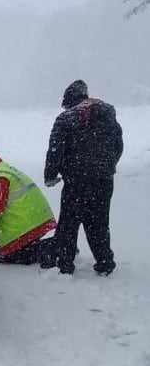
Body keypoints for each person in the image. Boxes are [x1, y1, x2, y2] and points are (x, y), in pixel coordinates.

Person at [43, 80, 123, 275]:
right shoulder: (108, 117)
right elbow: (118, 146)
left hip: (76, 180)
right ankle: (104, 263)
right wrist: (106, 166)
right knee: (99, 223)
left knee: (69, 223)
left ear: (69, 100)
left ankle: (65, 265)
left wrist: (50, 175)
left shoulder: (66, 119)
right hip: (103, 180)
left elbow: (55, 150)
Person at [0, 150, 57, 264]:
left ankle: (57, 247)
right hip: (35, 220)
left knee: (2, 256)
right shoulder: (5, 170)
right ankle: (60, 245)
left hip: (24, 226)